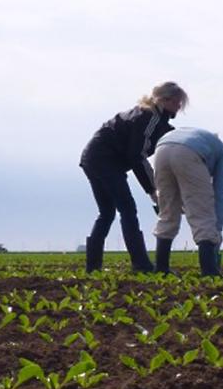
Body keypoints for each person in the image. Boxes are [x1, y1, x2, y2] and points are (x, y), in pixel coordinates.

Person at [79, 82, 188, 272]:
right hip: (105, 160)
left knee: (107, 213)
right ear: (164, 100)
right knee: (128, 210)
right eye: (178, 102)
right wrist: (152, 190)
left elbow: (161, 140)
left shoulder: (153, 119)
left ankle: (93, 268)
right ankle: (141, 264)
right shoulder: (149, 117)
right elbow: (137, 156)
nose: (180, 106)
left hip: (92, 158)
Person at [151, 126, 223, 277]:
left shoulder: (207, 142)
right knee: (203, 215)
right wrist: (217, 231)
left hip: (161, 150)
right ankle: (209, 271)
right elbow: (219, 194)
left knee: (167, 212)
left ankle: (161, 268)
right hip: (189, 152)